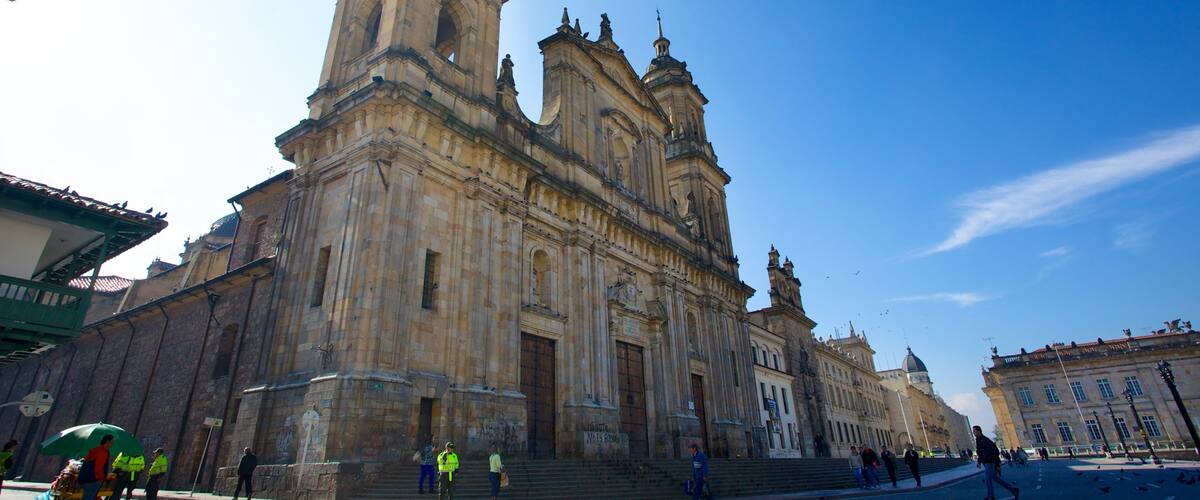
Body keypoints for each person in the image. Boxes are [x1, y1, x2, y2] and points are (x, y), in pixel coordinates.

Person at [974, 425, 1019, 500]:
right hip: (986, 462)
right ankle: (1013, 490)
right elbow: (980, 452)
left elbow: (995, 451)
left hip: (990, 462)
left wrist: (997, 463)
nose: (973, 433)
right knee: (995, 478)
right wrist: (979, 461)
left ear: (979, 431)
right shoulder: (978, 440)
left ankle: (990, 497)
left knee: (987, 479)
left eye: (974, 431)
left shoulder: (985, 440)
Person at [80, 434, 115, 500]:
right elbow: (98, 467)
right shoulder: (103, 452)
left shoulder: (95, 450)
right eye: (112, 441)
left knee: (87, 497)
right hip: (94, 479)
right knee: (90, 497)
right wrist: (101, 478)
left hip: (87, 478)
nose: (113, 443)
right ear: (107, 441)